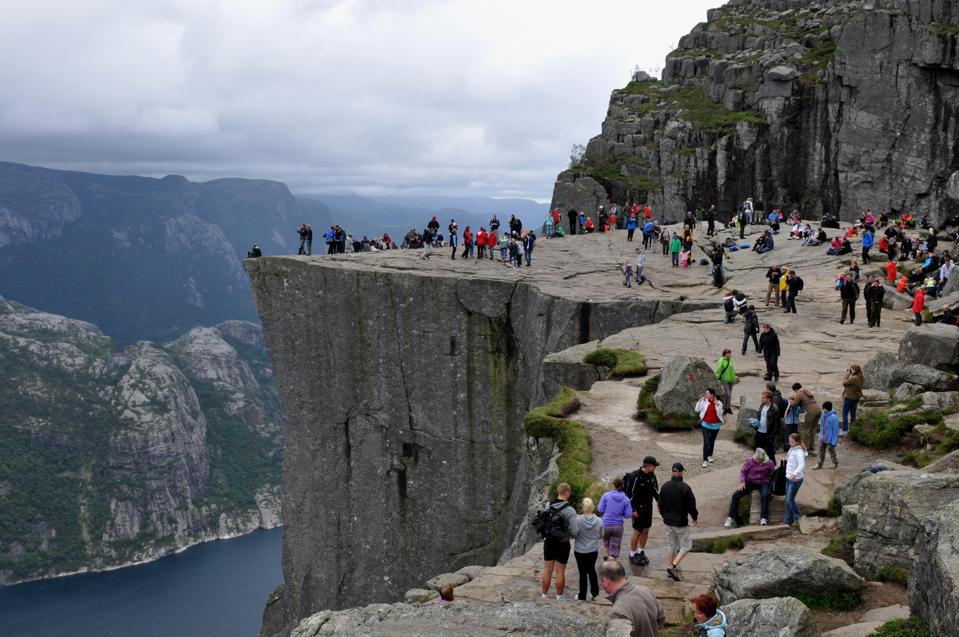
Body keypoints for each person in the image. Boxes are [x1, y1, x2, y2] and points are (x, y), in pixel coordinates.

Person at [599, 561, 666, 636]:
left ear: (605, 581)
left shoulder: (617, 613)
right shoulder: (646, 591)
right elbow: (661, 619)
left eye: (601, 582)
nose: (601, 585)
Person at [658, 463, 699, 581]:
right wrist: (695, 518)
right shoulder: (685, 487)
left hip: (668, 522)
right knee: (686, 546)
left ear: (672, 472)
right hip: (680, 522)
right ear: (681, 472)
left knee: (671, 545)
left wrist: (664, 516)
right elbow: (691, 505)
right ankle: (673, 567)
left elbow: (660, 504)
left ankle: (669, 567)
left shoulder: (665, 486)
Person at [540, 483, 580, 599]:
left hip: (549, 541)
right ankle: (559, 598)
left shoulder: (548, 505)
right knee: (560, 571)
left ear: (558, 492)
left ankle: (544, 595)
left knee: (547, 569)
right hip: (562, 543)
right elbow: (575, 532)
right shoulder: (570, 510)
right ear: (567, 493)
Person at [724, 447, 776, 528]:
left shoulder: (770, 463)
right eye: (757, 459)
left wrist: (771, 485)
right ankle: (731, 517)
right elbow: (743, 471)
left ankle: (764, 518)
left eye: (760, 459)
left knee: (765, 495)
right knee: (735, 495)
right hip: (751, 482)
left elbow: (773, 474)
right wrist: (742, 482)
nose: (758, 461)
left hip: (763, 482)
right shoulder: (750, 461)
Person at [624, 456, 660, 566]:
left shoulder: (652, 476)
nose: (655, 468)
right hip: (637, 509)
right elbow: (629, 494)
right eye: (654, 466)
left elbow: (655, 491)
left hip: (648, 508)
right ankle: (632, 554)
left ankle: (641, 551)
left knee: (646, 529)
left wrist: (659, 502)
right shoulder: (635, 476)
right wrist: (633, 509)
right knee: (637, 530)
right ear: (648, 466)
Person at [574, 497, 603, 601]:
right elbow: (601, 535)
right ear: (593, 507)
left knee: (582, 573)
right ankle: (595, 594)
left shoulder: (578, 520)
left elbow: (574, 534)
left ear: (583, 508)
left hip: (579, 551)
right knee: (592, 571)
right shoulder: (599, 521)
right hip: (592, 550)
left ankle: (582, 595)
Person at [598, 478, 633, 561]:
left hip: (606, 524)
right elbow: (628, 515)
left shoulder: (606, 496)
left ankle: (607, 556)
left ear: (613, 485)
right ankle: (612, 562)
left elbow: (600, 509)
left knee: (606, 541)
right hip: (618, 526)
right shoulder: (626, 499)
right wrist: (622, 512)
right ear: (622, 486)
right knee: (615, 547)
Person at [695, 388, 725, 469]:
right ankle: (705, 460)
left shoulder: (719, 403)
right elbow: (697, 409)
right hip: (705, 425)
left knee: (712, 441)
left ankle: (709, 455)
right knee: (706, 441)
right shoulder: (704, 402)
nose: (706, 395)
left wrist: (717, 406)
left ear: (712, 395)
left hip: (716, 426)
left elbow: (720, 414)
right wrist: (699, 401)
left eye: (707, 393)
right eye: (706, 393)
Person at [789, 383, 821, 455]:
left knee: (807, 430)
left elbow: (794, 404)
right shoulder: (806, 391)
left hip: (811, 412)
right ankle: (812, 447)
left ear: (796, 389)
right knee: (813, 430)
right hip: (818, 410)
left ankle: (806, 448)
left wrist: (790, 402)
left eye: (795, 391)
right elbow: (804, 400)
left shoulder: (799, 393)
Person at [783, 433, 806, 527]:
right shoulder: (792, 449)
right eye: (789, 441)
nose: (790, 443)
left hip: (795, 479)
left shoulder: (799, 451)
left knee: (789, 499)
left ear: (797, 442)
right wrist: (786, 459)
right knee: (788, 500)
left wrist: (795, 473)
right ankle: (787, 520)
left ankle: (798, 517)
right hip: (788, 477)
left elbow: (802, 464)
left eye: (792, 442)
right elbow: (792, 461)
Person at [752, 390, 780, 462]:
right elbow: (760, 417)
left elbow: (776, 424)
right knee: (757, 449)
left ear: (769, 398)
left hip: (768, 433)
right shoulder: (762, 406)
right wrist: (755, 423)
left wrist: (771, 435)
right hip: (759, 431)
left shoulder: (774, 408)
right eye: (762, 398)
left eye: (764, 398)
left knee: (769, 452)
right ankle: (757, 465)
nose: (762, 399)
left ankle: (772, 466)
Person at [814, 401, 840, 469]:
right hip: (823, 438)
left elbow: (835, 430)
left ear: (827, 408)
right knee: (821, 451)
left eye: (824, 408)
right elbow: (821, 427)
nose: (823, 410)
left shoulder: (834, 417)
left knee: (831, 451)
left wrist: (834, 441)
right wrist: (820, 436)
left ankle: (835, 462)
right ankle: (819, 464)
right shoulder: (823, 415)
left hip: (830, 439)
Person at [840, 364, 864, 437]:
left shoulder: (853, 378)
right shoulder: (861, 377)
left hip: (850, 398)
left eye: (852, 369)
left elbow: (844, 382)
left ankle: (844, 430)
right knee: (853, 414)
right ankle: (853, 429)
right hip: (856, 398)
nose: (851, 370)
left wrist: (847, 375)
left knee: (845, 413)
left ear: (855, 370)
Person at [714, 350, 736, 416]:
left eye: (730, 353)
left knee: (729, 394)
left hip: (731, 380)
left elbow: (732, 370)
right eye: (728, 353)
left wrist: (734, 378)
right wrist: (717, 377)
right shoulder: (721, 360)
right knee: (728, 394)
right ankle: (725, 408)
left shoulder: (730, 360)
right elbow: (718, 369)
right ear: (724, 354)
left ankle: (728, 408)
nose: (729, 355)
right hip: (724, 380)